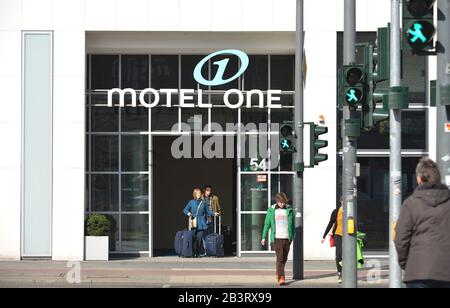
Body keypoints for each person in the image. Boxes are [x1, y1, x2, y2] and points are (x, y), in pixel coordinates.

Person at [394, 158, 450, 288]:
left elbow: (401, 239)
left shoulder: (411, 203)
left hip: (418, 271)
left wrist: (406, 263)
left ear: (419, 179)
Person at [261, 192, 295, 286]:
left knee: (284, 258)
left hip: (287, 238)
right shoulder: (272, 210)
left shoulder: (289, 210)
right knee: (280, 258)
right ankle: (281, 277)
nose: (282, 204)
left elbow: (293, 224)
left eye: (283, 202)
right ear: (277, 202)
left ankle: (278, 272)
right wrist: (263, 237)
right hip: (277, 238)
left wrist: (292, 236)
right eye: (280, 202)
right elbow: (267, 224)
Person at [183, 188, 217, 258]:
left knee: (199, 238)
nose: (198, 194)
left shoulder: (203, 202)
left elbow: (208, 211)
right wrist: (188, 213)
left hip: (201, 222)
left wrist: (214, 213)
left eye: (199, 193)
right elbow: (185, 210)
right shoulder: (191, 202)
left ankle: (197, 253)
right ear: (194, 194)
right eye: (197, 193)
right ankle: (192, 252)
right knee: (193, 238)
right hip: (194, 222)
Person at [321, 196, 343, 283]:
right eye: (343, 201)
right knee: (339, 254)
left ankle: (347, 271)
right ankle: (340, 272)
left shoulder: (351, 211)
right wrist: (324, 236)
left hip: (349, 236)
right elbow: (330, 223)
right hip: (338, 234)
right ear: (340, 201)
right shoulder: (336, 211)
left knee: (348, 254)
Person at [202, 185, 222, 255]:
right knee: (204, 235)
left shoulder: (214, 198)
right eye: (207, 190)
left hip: (212, 217)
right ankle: (205, 250)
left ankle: (211, 249)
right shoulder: (201, 198)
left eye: (210, 190)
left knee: (211, 234)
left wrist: (218, 213)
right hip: (203, 218)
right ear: (204, 190)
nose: (209, 192)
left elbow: (218, 207)